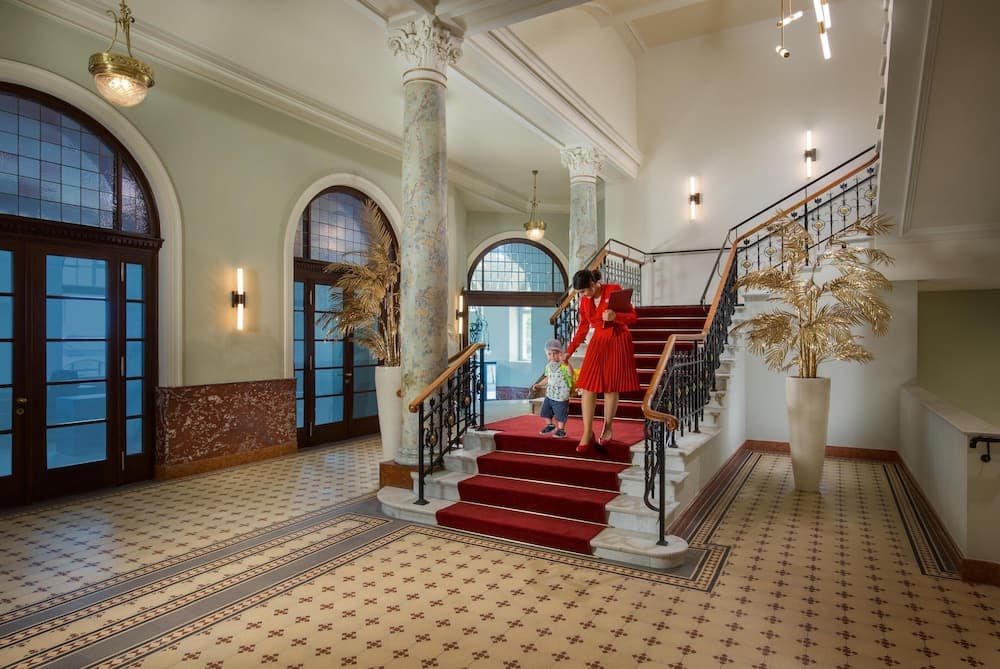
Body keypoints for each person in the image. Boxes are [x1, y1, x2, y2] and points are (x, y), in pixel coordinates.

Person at [563, 268, 640, 454]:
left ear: (592, 284)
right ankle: (587, 432)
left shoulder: (613, 290)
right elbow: (582, 329)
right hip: (598, 340)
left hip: (617, 339)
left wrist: (616, 317)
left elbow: (633, 317)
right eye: (579, 292)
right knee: (588, 386)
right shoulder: (584, 301)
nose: (582, 295)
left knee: (610, 387)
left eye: (583, 291)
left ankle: (608, 428)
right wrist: (569, 352)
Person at [531, 338, 574, 439]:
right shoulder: (548, 366)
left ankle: (561, 430)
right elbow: (548, 378)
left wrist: (567, 364)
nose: (552, 356)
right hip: (550, 395)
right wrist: (539, 384)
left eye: (555, 353)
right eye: (549, 354)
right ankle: (550, 425)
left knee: (560, 414)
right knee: (545, 411)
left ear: (560, 353)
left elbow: (570, 373)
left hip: (561, 396)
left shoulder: (563, 365)